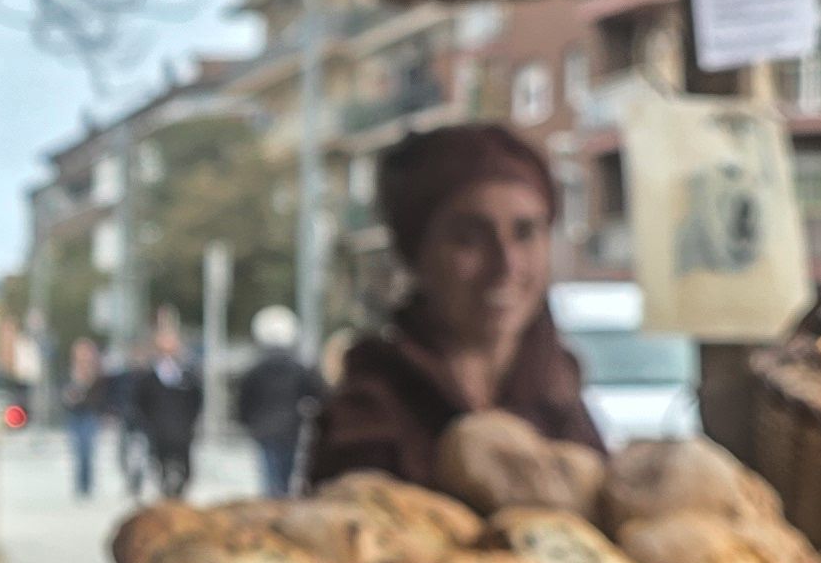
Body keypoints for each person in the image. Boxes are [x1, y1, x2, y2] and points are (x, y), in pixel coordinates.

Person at [312, 124, 602, 492]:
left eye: (526, 232)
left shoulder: (560, 396)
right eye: (469, 238)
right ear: (416, 253)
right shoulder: (368, 415)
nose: (506, 266)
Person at [234, 303, 326, 496]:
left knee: (270, 475)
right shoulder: (299, 368)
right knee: (285, 474)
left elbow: (244, 400)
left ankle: (273, 503)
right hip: (290, 428)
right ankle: (280, 501)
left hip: (263, 429)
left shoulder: (255, 370)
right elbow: (319, 394)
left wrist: (245, 421)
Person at [115, 310, 206, 497]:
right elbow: (139, 401)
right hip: (158, 430)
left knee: (184, 467)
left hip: (182, 430)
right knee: (161, 465)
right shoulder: (148, 378)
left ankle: (178, 492)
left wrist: (191, 420)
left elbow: (197, 399)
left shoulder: (188, 376)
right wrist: (148, 422)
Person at [58, 333, 109, 496]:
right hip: (74, 414)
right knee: (77, 450)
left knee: (87, 449)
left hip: (90, 413)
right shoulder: (68, 371)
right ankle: (80, 484)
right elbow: (62, 393)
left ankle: (87, 484)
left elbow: (102, 396)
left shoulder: (98, 373)